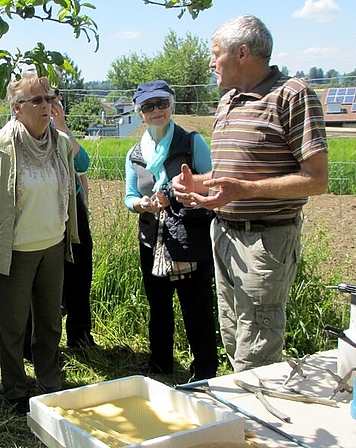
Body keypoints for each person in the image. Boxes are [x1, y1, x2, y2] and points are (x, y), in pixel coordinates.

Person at [172, 15, 329, 372]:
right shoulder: (228, 101)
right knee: (232, 335)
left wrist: (247, 190)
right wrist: (196, 183)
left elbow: (317, 179)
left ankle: (256, 422)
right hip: (223, 234)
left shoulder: (292, 95)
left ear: (241, 53)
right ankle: (245, 416)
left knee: (256, 349)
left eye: (215, 54)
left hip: (265, 240)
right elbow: (232, 175)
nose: (211, 62)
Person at [0, 74, 79, 415]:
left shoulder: (59, 143)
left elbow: (68, 191)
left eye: (50, 98)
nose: (47, 106)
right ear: (16, 108)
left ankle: (49, 385)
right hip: (14, 250)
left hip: (53, 244)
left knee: (50, 322)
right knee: (12, 327)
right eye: (37, 100)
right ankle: (15, 389)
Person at [124, 80, 219, 380]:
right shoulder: (135, 154)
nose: (156, 111)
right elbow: (129, 196)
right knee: (159, 307)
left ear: (172, 105)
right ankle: (160, 365)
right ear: (140, 113)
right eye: (149, 106)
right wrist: (142, 204)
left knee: (197, 309)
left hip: (190, 238)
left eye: (162, 104)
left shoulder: (192, 142)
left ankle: (204, 371)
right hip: (152, 240)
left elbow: (210, 183)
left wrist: (179, 195)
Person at [50, 88, 96, 349]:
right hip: (44, 208)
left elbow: (83, 164)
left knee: (81, 270)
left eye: (57, 102)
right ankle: (47, 338)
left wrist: (63, 126)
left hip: (73, 208)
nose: (53, 107)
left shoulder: (62, 133)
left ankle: (80, 334)